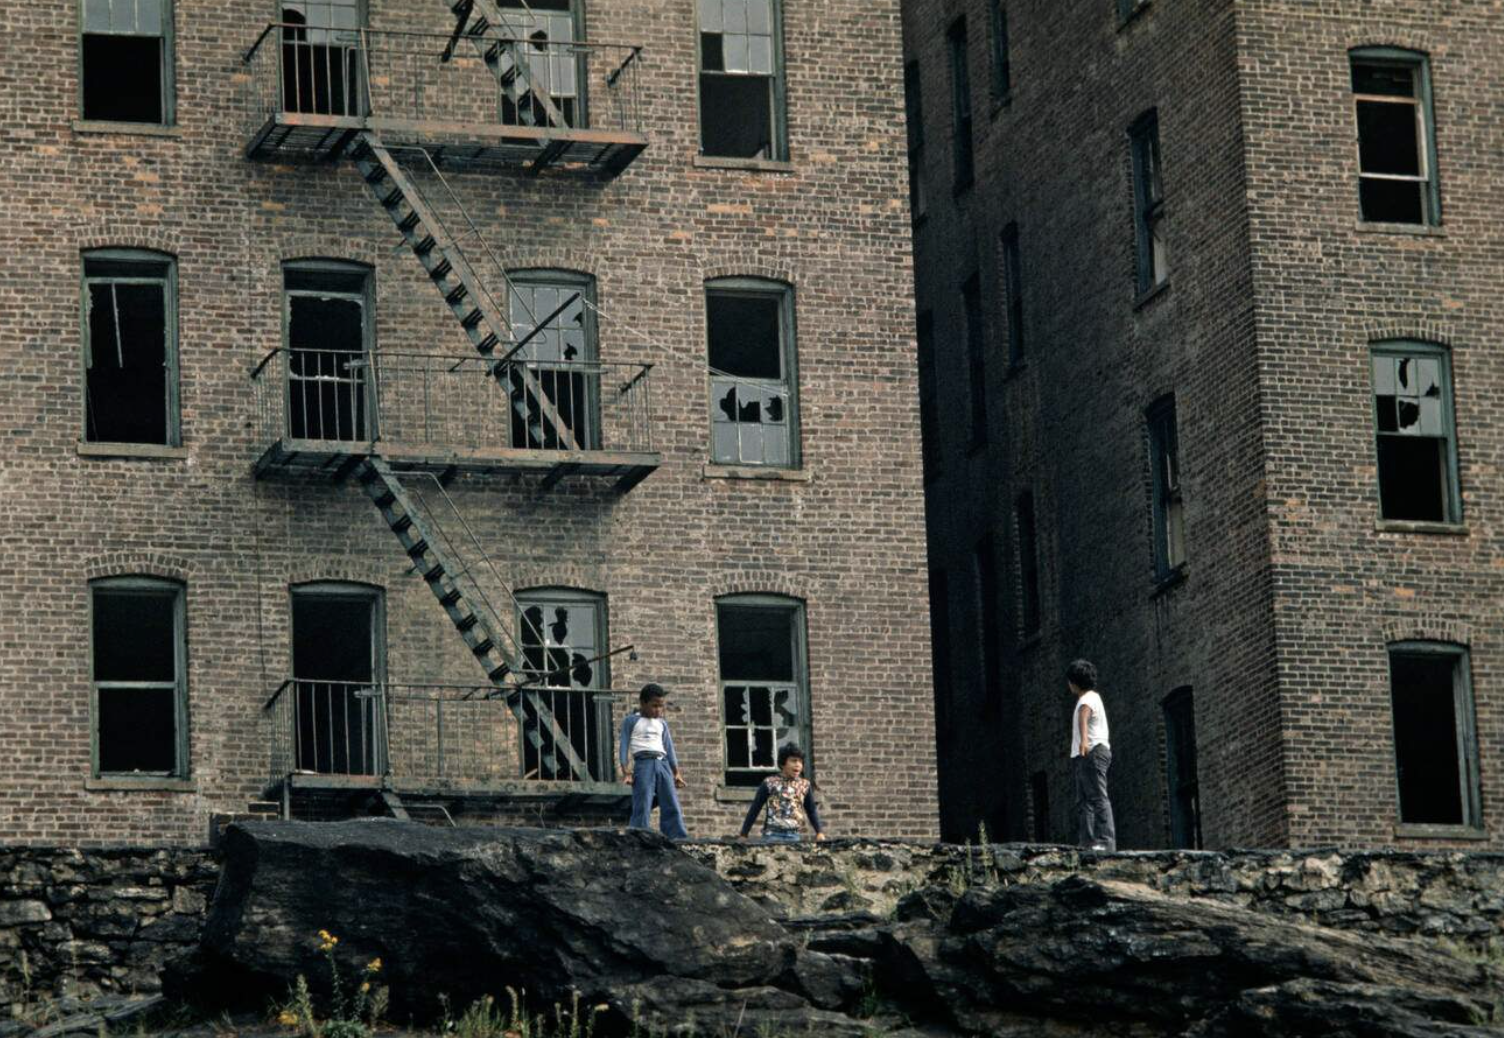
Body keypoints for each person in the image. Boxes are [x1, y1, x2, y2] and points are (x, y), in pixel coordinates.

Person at [618, 683, 688, 839]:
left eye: (661, 706)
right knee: (643, 800)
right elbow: (624, 746)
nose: (658, 710)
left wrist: (676, 772)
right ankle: (638, 833)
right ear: (643, 703)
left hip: (662, 763)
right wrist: (626, 771)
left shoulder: (662, 723)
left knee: (670, 800)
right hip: (644, 763)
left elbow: (669, 748)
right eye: (654, 706)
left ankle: (677, 835)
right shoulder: (631, 721)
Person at [1067, 659, 1116, 851]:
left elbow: (1084, 717)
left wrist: (1084, 741)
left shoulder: (1086, 699)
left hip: (1091, 751)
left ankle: (1105, 841)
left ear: (1075, 682)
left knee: (1096, 797)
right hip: (1086, 754)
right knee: (1084, 800)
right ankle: (1087, 841)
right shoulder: (1093, 698)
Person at [736, 745, 826, 844]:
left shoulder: (804, 785)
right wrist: (744, 834)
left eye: (800, 762)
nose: (798, 765)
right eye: (793, 761)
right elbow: (755, 809)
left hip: (793, 835)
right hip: (772, 835)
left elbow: (811, 810)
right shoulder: (769, 783)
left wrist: (819, 832)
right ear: (783, 763)